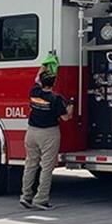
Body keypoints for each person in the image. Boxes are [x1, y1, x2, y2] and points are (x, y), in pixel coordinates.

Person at [19, 67, 73, 210]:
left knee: (30, 165)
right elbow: (66, 117)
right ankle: (41, 199)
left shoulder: (34, 92)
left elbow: (38, 76)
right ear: (54, 83)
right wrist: (71, 106)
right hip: (49, 134)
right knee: (47, 168)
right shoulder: (56, 99)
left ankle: (25, 196)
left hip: (31, 133)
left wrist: (46, 63)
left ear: (41, 82)